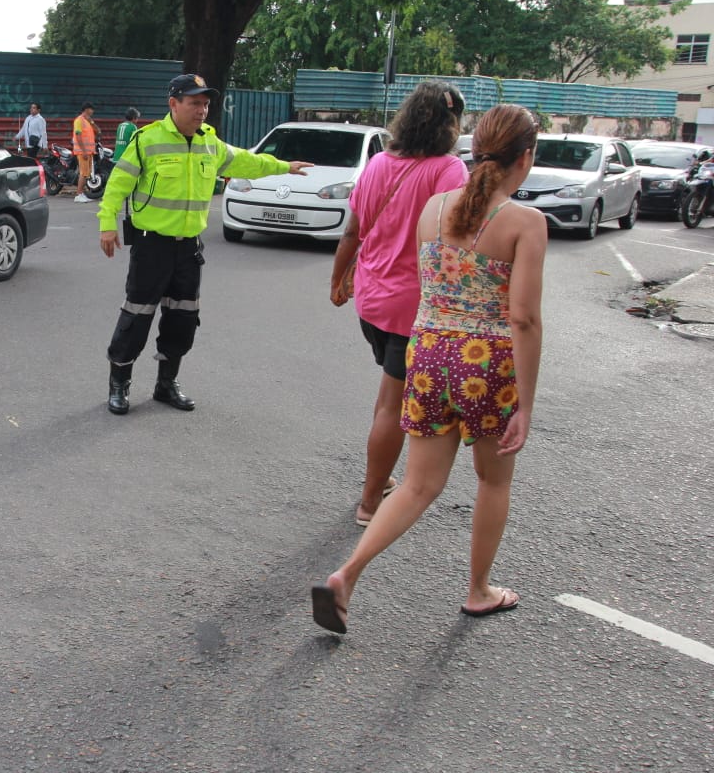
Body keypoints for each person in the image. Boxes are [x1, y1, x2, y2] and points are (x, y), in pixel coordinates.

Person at [312, 104, 548, 634]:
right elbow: (524, 319)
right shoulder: (525, 223)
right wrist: (526, 404)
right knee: (492, 481)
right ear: (525, 158)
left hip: (427, 354)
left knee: (418, 484)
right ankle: (479, 590)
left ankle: (346, 575)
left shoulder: (435, 208)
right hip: (486, 363)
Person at [97, 74, 313, 414]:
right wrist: (107, 224)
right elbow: (117, 185)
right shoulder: (147, 140)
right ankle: (119, 385)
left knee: (183, 321)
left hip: (188, 250)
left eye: (206, 104)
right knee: (136, 318)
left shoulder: (210, 144)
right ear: (174, 103)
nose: (202, 110)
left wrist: (284, 166)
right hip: (152, 247)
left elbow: (248, 161)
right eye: (195, 102)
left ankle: (165, 385)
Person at [329, 81, 469, 528]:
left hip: (372, 298)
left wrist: (337, 280)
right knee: (394, 403)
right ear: (449, 124)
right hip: (415, 306)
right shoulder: (448, 171)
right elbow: (457, 241)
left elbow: (353, 231)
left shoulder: (376, 164)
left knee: (389, 395)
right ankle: (371, 501)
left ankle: (381, 476)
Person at [73, 102, 98, 203]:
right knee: (83, 173)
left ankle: (81, 193)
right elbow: (78, 136)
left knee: (86, 173)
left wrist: (91, 122)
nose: (93, 111)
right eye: (92, 109)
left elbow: (98, 131)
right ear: (87, 109)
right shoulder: (79, 120)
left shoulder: (87, 121)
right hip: (82, 151)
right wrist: (83, 151)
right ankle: (78, 195)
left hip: (89, 151)